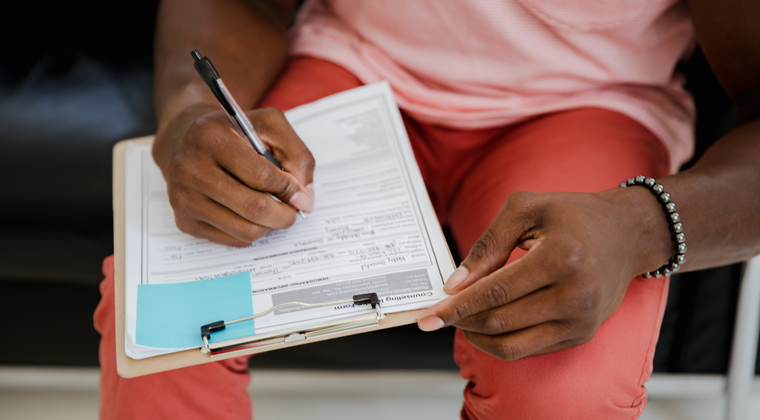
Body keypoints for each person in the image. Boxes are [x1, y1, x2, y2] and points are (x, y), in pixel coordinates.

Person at [95, 0, 760, 418]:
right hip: (354, 72)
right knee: (161, 323)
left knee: (568, 389)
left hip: (587, 101)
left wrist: (642, 227)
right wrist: (191, 110)